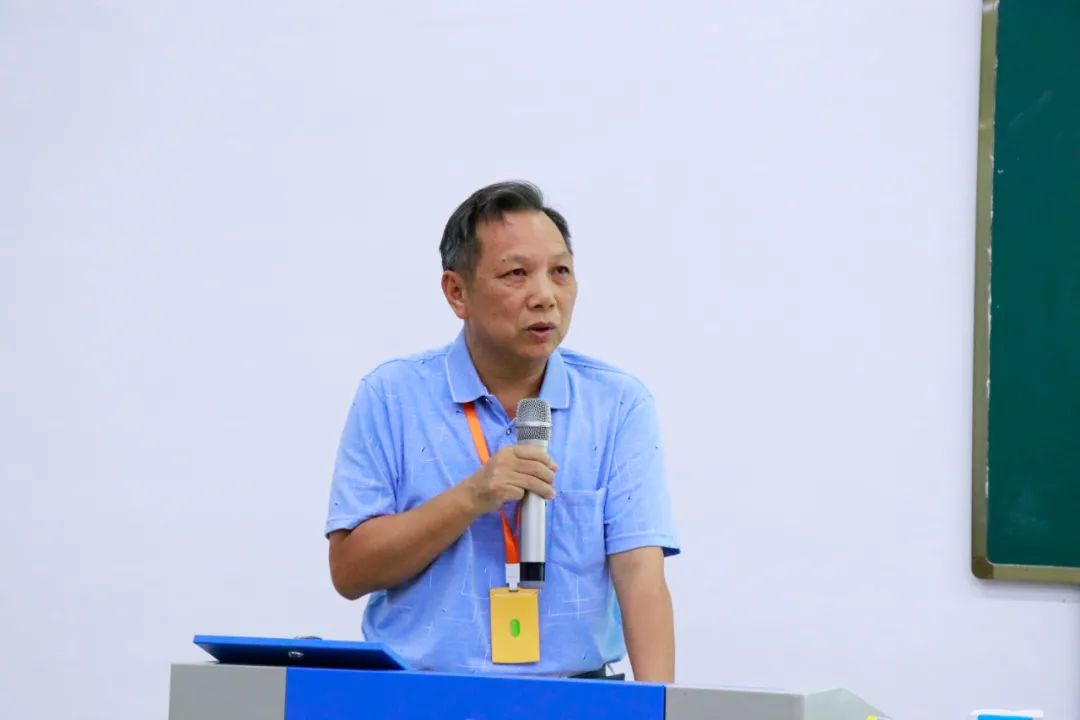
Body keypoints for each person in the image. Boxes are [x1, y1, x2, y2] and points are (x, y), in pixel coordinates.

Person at [325, 180, 679, 681]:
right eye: (516, 274)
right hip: (420, 695)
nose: (545, 297)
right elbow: (349, 572)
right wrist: (472, 496)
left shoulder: (618, 404)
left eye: (560, 272)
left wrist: (660, 709)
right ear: (457, 292)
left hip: (574, 699)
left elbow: (640, 573)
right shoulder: (391, 396)